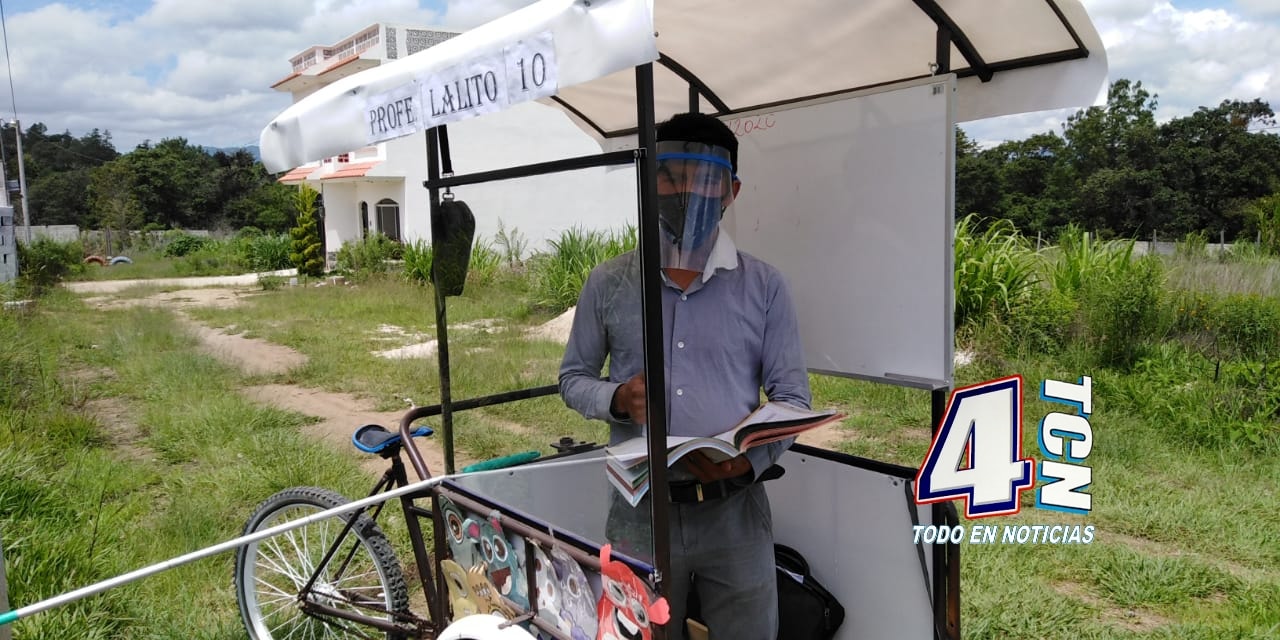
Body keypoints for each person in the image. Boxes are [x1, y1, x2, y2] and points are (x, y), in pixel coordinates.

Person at [558, 112, 811, 640]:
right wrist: (617, 399)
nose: (686, 191)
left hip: (735, 512)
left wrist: (747, 461)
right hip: (639, 513)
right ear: (648, 181)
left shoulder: (764, 287)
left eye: (705, 177)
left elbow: (792, 400)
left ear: (731, 190)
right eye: (670, 175)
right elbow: (573, 378)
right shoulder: (609, 282)